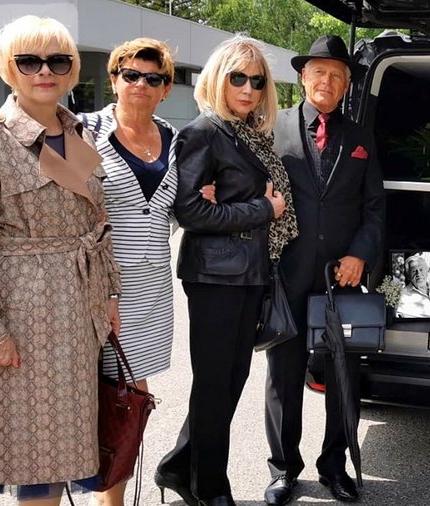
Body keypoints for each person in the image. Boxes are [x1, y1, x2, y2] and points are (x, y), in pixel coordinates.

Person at [0, 15, 121, 505]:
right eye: (29, 61)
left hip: (82, 312)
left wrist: (111, 294)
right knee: (37, 451)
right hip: (26, 315)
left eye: (57, 60)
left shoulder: (78, 131)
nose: (44, 71)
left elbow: (98, 223)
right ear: (8, 67)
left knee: (70, 442)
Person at [153, 35, 290, 506]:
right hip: (215, 277)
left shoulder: (247, 133)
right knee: (215, 383)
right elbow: (191, 212)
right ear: (218, 78)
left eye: (257, 81)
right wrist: (262, 210)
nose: (249, 89)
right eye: (238, 78)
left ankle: (178, 467)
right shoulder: (203, 132)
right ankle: (209, 487)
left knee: (231, 380)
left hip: (248, 272)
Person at [263, 34, 385, 505]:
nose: (327, 81)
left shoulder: (361, 137)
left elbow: (374, 207)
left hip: (342, 278)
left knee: (342, 375)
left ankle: (335, 466)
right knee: (283, 373)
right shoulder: (274, 126)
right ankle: (283, 469)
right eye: (319, 72)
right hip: (288, 272)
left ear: (347, 84)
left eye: (337, 75)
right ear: (303, 77)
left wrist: (360, 254)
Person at [77, 37, 177, 506]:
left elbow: (180, 205)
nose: (141, 84)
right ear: (114, 79)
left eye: (153, 78)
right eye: (130, 74)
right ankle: (100, 496)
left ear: (166, 89)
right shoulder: (86, 131)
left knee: (128, 401)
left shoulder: (176, 140)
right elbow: (70, 209)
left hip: (152, 291)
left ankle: (109, 495)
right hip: (99, 289)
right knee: (96, 399)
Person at [395, 253, 430, 318]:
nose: (418, 274)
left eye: (421, 269)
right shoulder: (402, 296)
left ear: (428, 271)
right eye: (413, 271)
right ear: (408, 276)